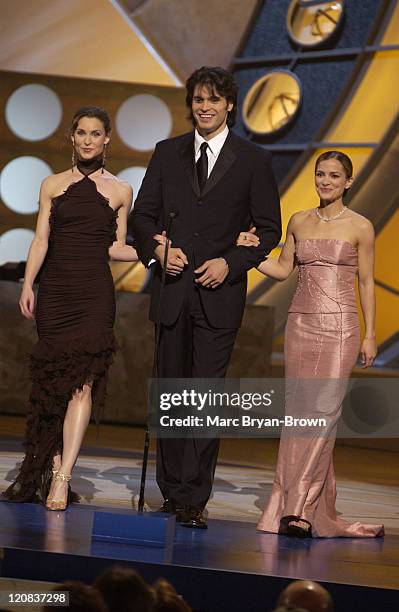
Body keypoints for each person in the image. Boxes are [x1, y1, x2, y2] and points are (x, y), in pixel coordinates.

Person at [132, 66, 281, 528]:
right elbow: (141, 218)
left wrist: (230, 263)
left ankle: (195, 497)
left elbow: (270, 227)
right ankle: (171, 491)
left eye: (213, 99)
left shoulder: (253, 159)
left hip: (220, 297)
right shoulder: (167, 152)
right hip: (173, 292)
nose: (205, 106)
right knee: (172, 395)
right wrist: (158, 249)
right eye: (198, 99)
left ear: (230, 105)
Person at [238, 151, 384, 538]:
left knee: (324, 413)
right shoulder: (299, 220)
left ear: (348, 182)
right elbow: (283, 269)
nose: (325, 181)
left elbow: (367, 282)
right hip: (300, 326)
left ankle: (297, 508)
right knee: (299, 415)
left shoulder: (361, 226)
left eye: (334, 176)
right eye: (321, 174)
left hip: (341, 330)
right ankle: (307, 506)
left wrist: (371, 333)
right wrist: (251, 252)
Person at [3, 106, 138, 510]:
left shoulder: (120, 190)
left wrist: (154, 252)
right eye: (81, 133)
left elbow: (117, 247)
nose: (87, 140)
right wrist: (28, 283)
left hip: (94, 294)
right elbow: (41, 239)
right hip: (55, 293)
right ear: (73, 137)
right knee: (52, 386)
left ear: (107, 139)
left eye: (95, 134)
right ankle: (51, 465)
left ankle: (62, 478)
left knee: (81, 384)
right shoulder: (51, 185)